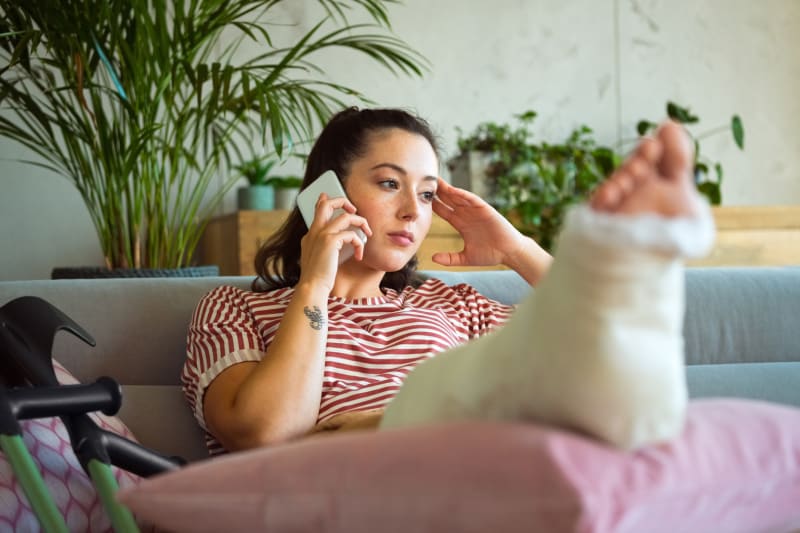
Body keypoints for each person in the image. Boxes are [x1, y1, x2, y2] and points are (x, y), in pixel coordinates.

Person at [182, 107, 714, 456]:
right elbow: (263, 433)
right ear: (325, 194)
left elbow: (592, 354)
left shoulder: (453, 303)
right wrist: (315, 283)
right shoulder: (234, 309)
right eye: (390, 183)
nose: (414, 210)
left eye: (429, 193)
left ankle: (620, 262)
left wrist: (516, 249)